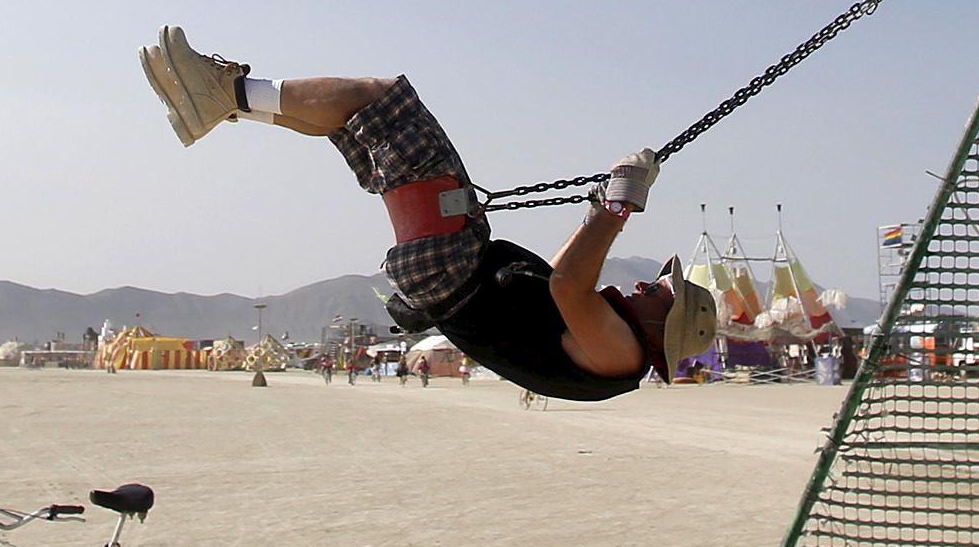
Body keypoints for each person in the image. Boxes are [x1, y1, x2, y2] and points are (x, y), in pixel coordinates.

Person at [134, 27, 715, 403]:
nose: (647, 283)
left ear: (666, 328)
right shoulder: (615, 348)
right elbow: (560, 272)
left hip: (454, 267)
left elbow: (568, 285)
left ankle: (226, 95)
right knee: (355, 122)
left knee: (380, 100)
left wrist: (619, 207)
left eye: (662, 291)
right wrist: (600, 206)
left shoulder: (622, 356)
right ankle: (219, 103)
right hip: (445, 270)